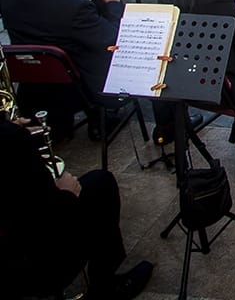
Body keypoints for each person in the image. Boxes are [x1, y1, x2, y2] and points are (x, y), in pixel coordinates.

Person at [0, 117, 154, 300]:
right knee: (101, 185)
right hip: (27, 264)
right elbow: (44, 213)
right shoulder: (11, 138)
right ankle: (105, 288)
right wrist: (67, 192)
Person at [0, 0, 123, 103]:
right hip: (75, 84)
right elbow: (112, 38)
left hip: (31, 78)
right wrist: (113, 3)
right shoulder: (74, 7)